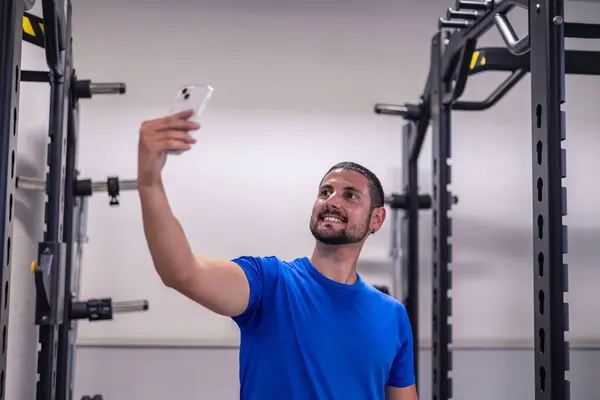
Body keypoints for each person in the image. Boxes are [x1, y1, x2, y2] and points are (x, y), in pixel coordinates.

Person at [137, 109, 418, 400]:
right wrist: (149, 182)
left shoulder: (392, 316)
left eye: (350, 195)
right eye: (325, 192)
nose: (332, 201)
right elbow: (182, 272)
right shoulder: (270, 283)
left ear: (377, 219)